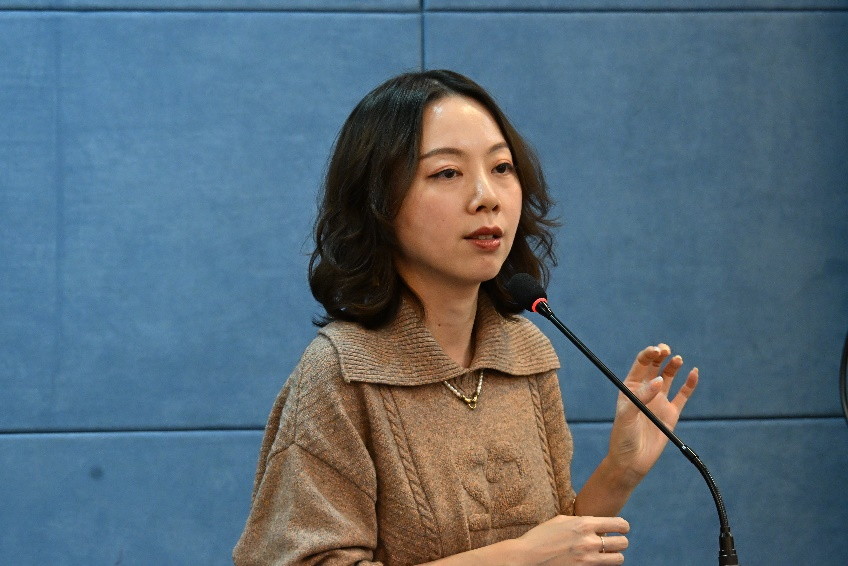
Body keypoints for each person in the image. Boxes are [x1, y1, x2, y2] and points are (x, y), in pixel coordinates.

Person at [233, 69, 699, 565]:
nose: (487, 196)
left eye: (501, 167)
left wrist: (621, 471)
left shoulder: (525, 352)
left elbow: (557, 551)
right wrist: (517, 558)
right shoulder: (341, 374)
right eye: (447, 173)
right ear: (378, 202)